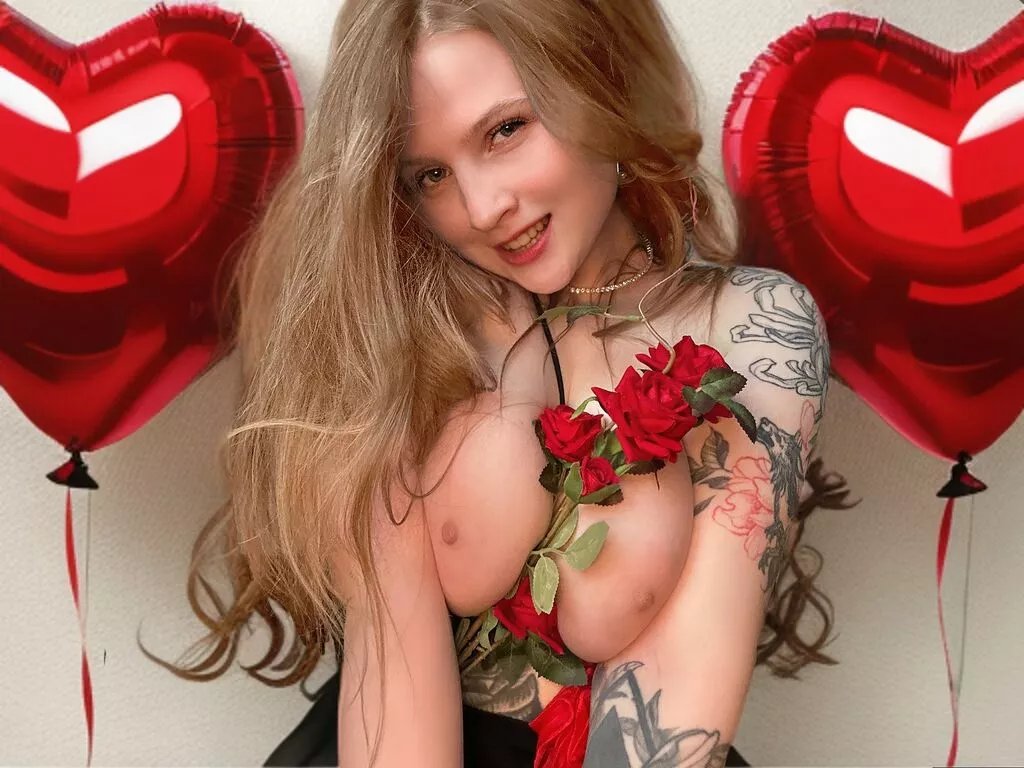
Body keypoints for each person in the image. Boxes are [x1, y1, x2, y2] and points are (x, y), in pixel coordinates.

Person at [148, 1, 856, 765]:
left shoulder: (750, 326)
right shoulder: (401, 331)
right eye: (431, 175)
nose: (483, 209)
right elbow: (391, 670)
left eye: (506, 130)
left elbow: (676, 708)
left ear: (603, 80)